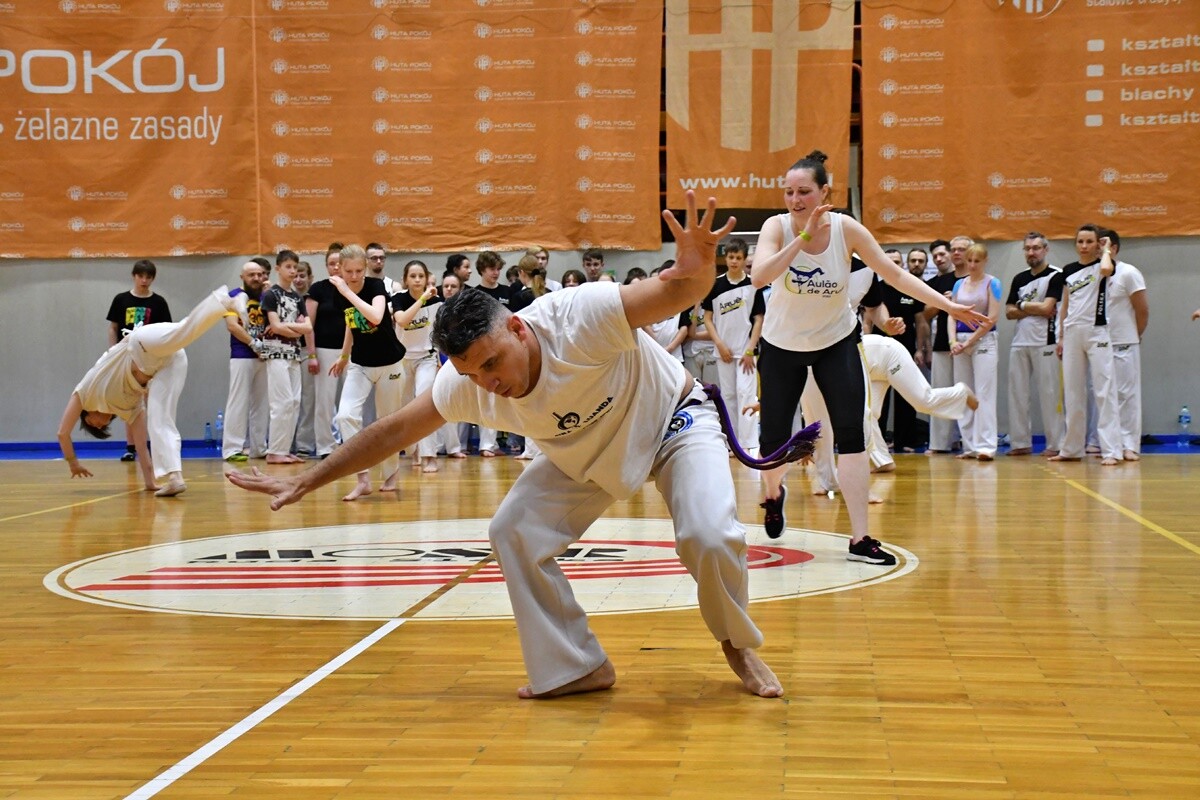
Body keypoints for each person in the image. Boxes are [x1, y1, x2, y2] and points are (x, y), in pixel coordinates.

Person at [229, 192, 786, 700]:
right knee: (511, 530)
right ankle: (576, 665)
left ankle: (736, 642)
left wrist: (697, 268)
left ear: (519, 330)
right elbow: (394, 431)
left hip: (671, 421)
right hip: (582, 453)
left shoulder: (580, 316)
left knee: (709, 534)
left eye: (493, 363)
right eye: (474, 374)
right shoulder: (468, 381)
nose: (489, 384)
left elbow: (672, 291)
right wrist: (310, 476)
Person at [750, 151, 986, 562]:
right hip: (782, 345)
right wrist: (803, 236)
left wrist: (948, 307)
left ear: (825, 192)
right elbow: (760, 277)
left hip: (836, 342)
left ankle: (860, 538)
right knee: (773, 441)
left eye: (804, 191)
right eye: (788, 192)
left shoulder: (847, 229)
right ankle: (773, 493)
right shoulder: (776, 227)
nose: (795, 199)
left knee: (853, 436)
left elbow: (896, 275)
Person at [60, 286, 247, 496]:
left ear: (87, 412)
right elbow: (141, 446)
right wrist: (149, 483)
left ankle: (228, 300)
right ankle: (175, 477)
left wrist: (73, 463)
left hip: (142, 342)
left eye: (93, 423)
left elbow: (63, 433)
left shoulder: (86, 393)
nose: (100, 423)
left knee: (181, 332)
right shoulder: (130, 409)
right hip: (168, 363)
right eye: (101, 427)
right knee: (159, 420)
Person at [329, 245, 407, 500]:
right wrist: (343, 356)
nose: (353, 276)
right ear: (340, 268)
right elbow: (352, 324)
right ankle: (362, 478)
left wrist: (346, 291)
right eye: (348, 271)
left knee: (387, 422)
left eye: (359, 270)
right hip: (360, 364)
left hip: (390, 364)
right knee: (344, 416)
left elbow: (374, 316)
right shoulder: (339, 292)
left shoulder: (375, 287)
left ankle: (391, 473)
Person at [1050, 225, 1120, 465]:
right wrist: (1060, 336)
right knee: (1072, 392)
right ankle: (1071, 449)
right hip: (1072, 333)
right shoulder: (1068, 271)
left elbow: (1106, 268)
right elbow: (1065, 305)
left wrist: (1107, 249)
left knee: (1103, 391)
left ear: (1097, 244)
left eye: (1089, 242)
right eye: (1080, 241)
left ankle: (1111, 450)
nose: (1084, 246)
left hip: (1097, 331)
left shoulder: (1104, 265)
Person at [106, 259, 172, 462]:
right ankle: (131, 446)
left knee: (152, 402)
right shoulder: (121, 299)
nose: (144, 280)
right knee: (130, 401)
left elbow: (166, 331)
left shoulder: (158, 302)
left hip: (150, 358)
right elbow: (113, 328)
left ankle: (155, 446)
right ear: (134, 276)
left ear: (153, 278)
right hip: (126, 357)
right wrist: (113, 351)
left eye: (148, 277)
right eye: (140, 276)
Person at [703, 237, 764, 455]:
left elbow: (759, 319)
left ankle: (747, 444)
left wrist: (750, 349)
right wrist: (718, 343)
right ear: (725, 258)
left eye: (739, 257)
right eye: (731, 257)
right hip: (724, 352)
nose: (734, 261)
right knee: (728, 396)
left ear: (745, 259)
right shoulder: (715, 285)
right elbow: (708, 318)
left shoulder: (753, 285)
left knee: (746, 395)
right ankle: (732, 443)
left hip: (746, 352)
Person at [1005, 231, 1062, 457]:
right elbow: (1009, 312)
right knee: (1017, 393)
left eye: (1036, 248)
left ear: (1045, 250)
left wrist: (1021, 305)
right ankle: (1020, 443)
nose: (1031, 252)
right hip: (1020, 342)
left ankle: (1056, 444)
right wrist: (1031, 306)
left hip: (1046, 342)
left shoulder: (1056, 275)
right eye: (1028, 248)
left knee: (1050, 394)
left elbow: (1048, 308)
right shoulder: (1019, 278)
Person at [949, 244, 1002, 460]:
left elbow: (992, 318)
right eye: (969, 260)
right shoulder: (958, 284)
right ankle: (969, 445)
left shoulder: (993, 283)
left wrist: (970, 341)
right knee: (964, 394)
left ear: (985, 261)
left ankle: (986, 446)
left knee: (985, 394)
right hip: (960, 342)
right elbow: (951, 313)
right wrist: (953, 341)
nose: (972, 265)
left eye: (977, 261)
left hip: (984, 341)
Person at [392, 260, 443, 473]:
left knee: (425, 403)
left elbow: (438, 330)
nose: (417, 280)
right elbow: (402, 320)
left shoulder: (437, 301)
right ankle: (413, 450)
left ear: (426, 277)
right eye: (412, 276)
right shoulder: (398, 299)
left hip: (426, 358)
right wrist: (422, 299)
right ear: (405, 279)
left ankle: (430, 455)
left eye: (421, 276)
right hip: (402, 359)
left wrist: (440, 358)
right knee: (405, 408)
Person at [261, 250, 312, 464]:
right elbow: (274, 325)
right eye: (288, 267)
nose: (292, 271)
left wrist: (287, 328)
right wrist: (296, 329)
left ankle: (283, 449)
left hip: (293, 354)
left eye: (295, 267)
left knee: (293, 402)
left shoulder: (297, 297)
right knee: (280, 402)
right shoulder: (271, 295)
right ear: (278, 268)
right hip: (275, 353)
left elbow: (308, 327)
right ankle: (275, 451)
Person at [1103, 229, 1149, 461]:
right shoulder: (1092, 274)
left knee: (1126, 396)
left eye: (1104, 244)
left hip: (1124, 341)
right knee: (1103, 397)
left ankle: (1129, 444)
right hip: (1098, 344)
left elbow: (1142, 310)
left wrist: (1134, 335)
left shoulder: (1128, 273)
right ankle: (1108, 445)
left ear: (1114, 248)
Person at [221, 261, 269, 463]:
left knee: (262, 404)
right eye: (251, 275)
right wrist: (253, 344)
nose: (256, 278)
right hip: (242, 355)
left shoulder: (266, 297)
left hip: (264, 356)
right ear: (242, 277)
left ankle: (259, 447)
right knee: (238, 402)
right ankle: (232, 449)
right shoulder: (232, 296)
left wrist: (264, 347)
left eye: (259, 274)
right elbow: (232, 326)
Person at [305, 243, 346, 459]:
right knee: (324, 401)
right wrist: (312, 355)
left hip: (351, 351)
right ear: (326, 266)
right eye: (332, 264)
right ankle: (325, 446)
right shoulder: (318, 289)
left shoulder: (355, 288)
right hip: (324, 351)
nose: (336, 267)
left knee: (351, 400)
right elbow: (308, 325)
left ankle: (351, 444)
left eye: (340, 263)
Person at [292, 261, 317, 457]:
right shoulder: (284, 297)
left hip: (306, 352)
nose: (299, 279)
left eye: (303, 275)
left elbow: (309, 329)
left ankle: (304, 444)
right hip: (285, 354)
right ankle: (284, 443)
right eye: (296, 276)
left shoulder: (313, 299)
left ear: (310, 277)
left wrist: (312, 354)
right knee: (289, 401)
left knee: (308, 400)